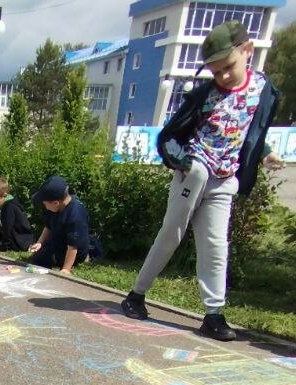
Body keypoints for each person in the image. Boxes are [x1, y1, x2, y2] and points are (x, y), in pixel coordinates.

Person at [118, 21, 283, 341]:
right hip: (194, 172)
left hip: (224, 179)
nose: (221, 77)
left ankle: (213, 314)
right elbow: (170, 136)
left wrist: (266, 152)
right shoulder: (204, 96)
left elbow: (251, 131)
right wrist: (185, 163)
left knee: (215, 246)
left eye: (227, 68)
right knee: (171, 234)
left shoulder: (262, 89)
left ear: (247, 51)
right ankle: (136, 295)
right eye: (215, 71)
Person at [28, 176, 91, 274]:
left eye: (45, 204)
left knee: (40, 259)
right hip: (59, 242)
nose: (45, 207)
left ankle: (77, 259)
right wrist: (40, 242)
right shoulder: (55, 208)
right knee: (38, 256)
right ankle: (52, 255)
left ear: (55, 203)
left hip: (73, 250)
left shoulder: (75, 215)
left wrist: (66, 268)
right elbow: (48, 226)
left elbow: (73, 246)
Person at [0, 177, 35, 252]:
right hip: (16, 238)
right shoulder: (4, 206)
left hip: (20, 240)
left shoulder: (9, 207)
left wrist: (4, 246)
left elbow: (8, 229)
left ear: (4, 195)